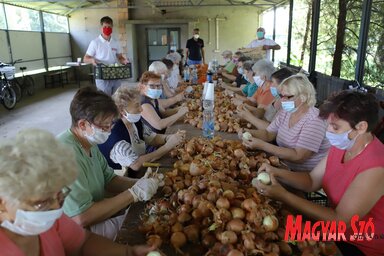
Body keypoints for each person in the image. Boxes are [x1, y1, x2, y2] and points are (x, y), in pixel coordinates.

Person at [253, 91, 384, 256]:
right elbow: (311, 180)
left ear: (361, 127)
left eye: (335, 127)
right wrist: (276, 172)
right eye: (328, 124)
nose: (328, 130)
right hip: (332, 230)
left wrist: (284, 195)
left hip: (360, 243)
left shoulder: (376, 166)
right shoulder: (342, 144)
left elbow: (340, 221)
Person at [0, 129, 155, 256]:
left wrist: (129, 252)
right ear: (2, 203)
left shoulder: (51, 218)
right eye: (41, 203)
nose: (56, 208)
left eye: (60, 196)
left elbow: (83, 242)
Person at [57, 87, 160, 240]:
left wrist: (141, 183)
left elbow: (110, 180)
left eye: (111, 124)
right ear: (83, 125)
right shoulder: (66, 155)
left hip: (95, 212)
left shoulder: (88, 142)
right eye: (104, 126)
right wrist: (133, 194)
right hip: (77, 231)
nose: (109, 130)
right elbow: (81, 217)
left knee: (152, 215)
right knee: (147, 227)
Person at [242, 74, 330, 172]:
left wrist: (263, 145)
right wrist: (247, 133)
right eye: (281, 96)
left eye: (287, 96)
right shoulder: (286, 112)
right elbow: (268, 134)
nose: (282, 100)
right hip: (281, 165)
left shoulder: (315, 120)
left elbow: (298, 156)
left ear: (303, 97)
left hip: (302, 175)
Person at [98, 86, 186, 176]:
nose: (141, 109)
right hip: (122, 177)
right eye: (137, 105)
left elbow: (153, 138)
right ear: (122, 111)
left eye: (140, 104)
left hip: (138, 171)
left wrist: (168, 138)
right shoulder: (117, 136)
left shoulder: (135, 122)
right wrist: (167, 146)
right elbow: (136, 165)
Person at [83, 16, 129, 96]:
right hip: (102, 75)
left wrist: (124, 60)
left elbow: (119, 57)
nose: (107, 28)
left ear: (112, 27)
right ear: (101, 28)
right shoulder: (95, 42)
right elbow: (85, 59)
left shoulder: (115, 42)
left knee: (117, 97)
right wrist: (92, 60)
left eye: (109, 27)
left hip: (115, 74)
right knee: (105, 98)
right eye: (105, 27)